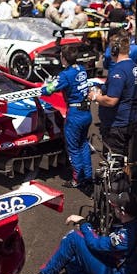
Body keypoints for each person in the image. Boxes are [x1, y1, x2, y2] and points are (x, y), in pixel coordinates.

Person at [23, 192, 137, 274]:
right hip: (116, 268)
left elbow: (95, 244)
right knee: (78, 241)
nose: (113, 209)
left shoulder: (127, 236)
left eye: (115, 207)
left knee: (73, 238)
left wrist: (83, 222)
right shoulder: (133, 224)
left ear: (123, 212)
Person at [42, 46, 92, 191]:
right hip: (86, 112)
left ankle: (77, 179)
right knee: (83, 144)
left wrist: (43, 89)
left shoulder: (66, 74)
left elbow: (50, 89)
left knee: (73, 148)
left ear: (64, 58)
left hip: (75, 114)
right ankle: (88, 176)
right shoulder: (81, 69)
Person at [91, 30, 137, 158]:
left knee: (114, 162)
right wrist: (103, 87)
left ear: (114, 51)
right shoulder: (132, 66)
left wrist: (95, 97)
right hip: (127, 121)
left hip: (116, 126)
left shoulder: (118, 71)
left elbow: (111, 100)